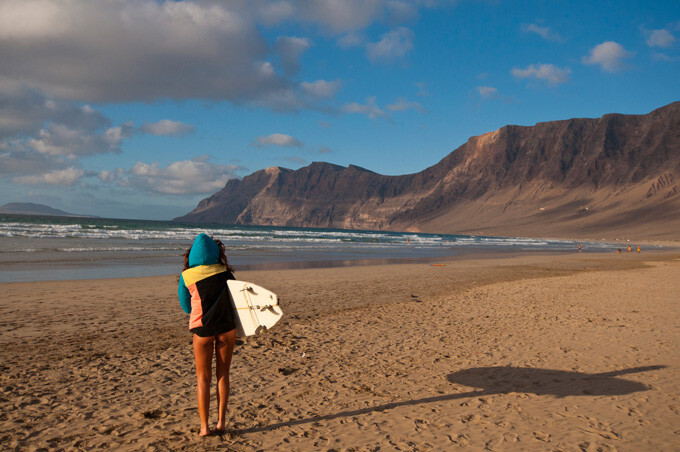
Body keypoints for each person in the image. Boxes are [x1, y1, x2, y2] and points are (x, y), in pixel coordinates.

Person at [178, 233, 237, 436]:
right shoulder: (226, 273)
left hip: (202, 331)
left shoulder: (187, 277)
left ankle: (204, 428)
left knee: (203, 378)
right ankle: (221, 423)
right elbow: (237, 299)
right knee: (223, 375)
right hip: (226, 328)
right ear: (215, 253)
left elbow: (186, 307)